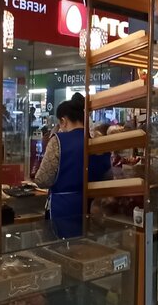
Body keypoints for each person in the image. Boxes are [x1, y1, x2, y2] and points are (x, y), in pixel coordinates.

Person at [33, 98, 110, 238]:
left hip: (64, 209)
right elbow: (107, 173)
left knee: (63, 248)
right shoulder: (99, 141)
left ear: (63, 120)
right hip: (95, 208)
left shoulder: (58, 141)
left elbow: (42, 179)